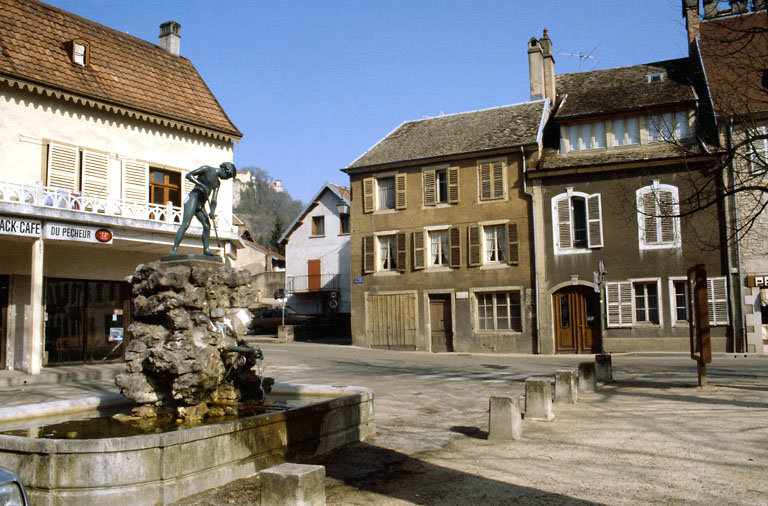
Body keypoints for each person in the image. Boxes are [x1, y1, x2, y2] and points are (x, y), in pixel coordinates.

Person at [169, 162, 236, 256]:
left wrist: (212, 211)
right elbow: (189, 175)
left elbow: (214, 199)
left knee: (207, 226)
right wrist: (201, 185)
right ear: (225, 170)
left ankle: (206, 249)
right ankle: (174, 249)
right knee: (186, 223)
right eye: (227, 176)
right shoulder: (207, 169)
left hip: (201, 204)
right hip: (193, 198)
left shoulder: (217, 183)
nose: (226, 179)